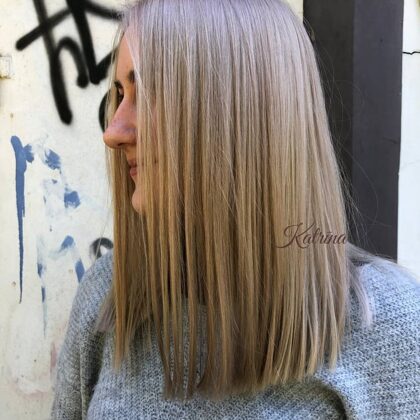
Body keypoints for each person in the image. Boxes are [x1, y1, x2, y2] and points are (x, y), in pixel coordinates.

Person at [50, 0, 420, 418]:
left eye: (147, 93)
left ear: (241, 115)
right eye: (120, 95)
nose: (113, 132)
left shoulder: (389, 328)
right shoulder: (110, 294)